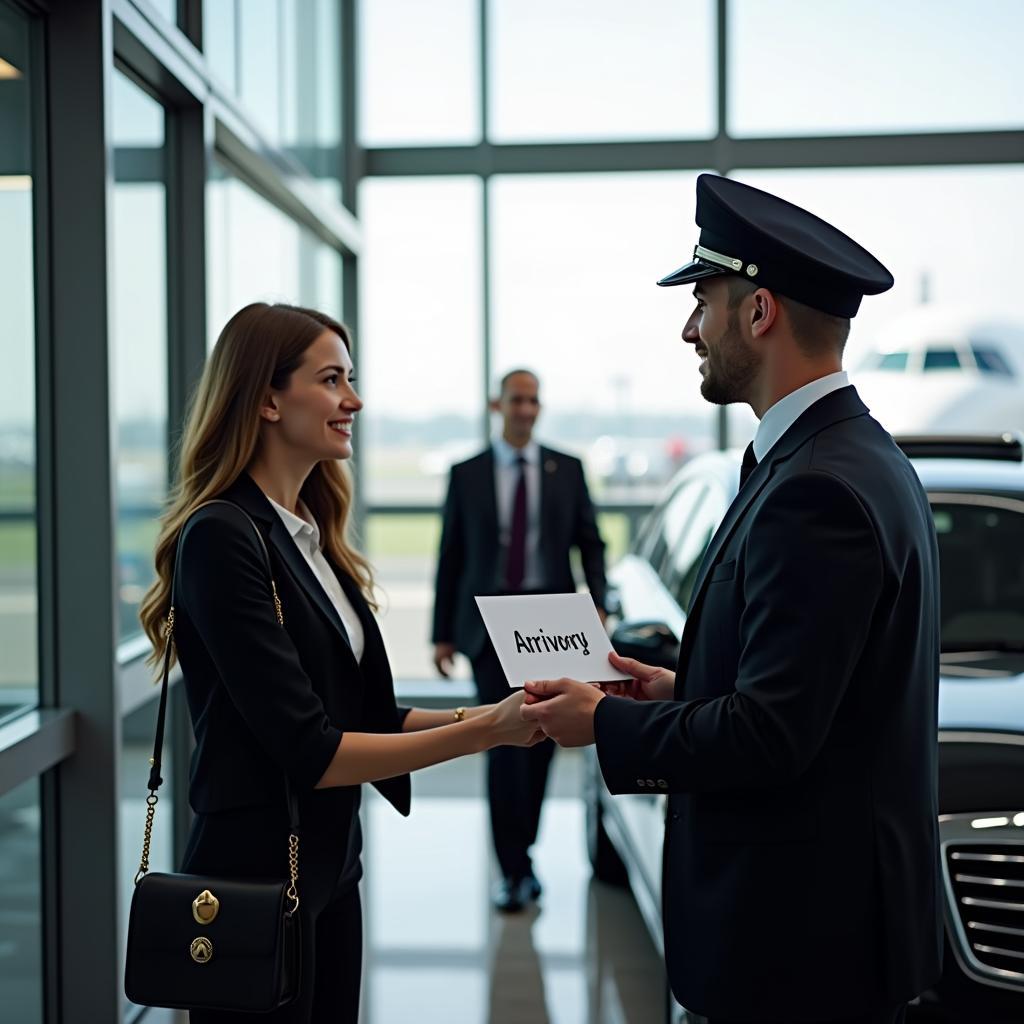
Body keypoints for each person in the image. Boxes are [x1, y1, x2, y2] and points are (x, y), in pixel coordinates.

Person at [521, 174, 943, 1023]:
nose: (689, 329)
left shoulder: (816, 489)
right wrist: (679, 691)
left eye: (703, 300)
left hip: (795, 953)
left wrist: (601, 721)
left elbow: (771, 737)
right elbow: (818, 701)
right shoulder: (853, 458)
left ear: (759, 313)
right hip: (818, 940)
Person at [138, 303, 542, 1024]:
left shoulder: (309, 537)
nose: (353, 401)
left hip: (328, 870)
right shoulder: (223, 538)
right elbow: (309, 749)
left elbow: (365, 717)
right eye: (331, 380)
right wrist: (487, 732)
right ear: (265, 398)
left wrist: (511, 716)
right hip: (255, 882)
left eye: (350, 380)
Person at [431, 368, 608, 911]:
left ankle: (523, 853)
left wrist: (599, 605)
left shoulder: (567, 469)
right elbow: (451, 556)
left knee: (540, 745)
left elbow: (591, 543)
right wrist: (441, 635)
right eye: (517, 400)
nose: (527, 410)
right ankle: (512, 869)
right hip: (488, 625)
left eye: (534, 400)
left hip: (550, 622)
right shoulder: (467, 474)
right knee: (501, 744)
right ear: (497, 405)